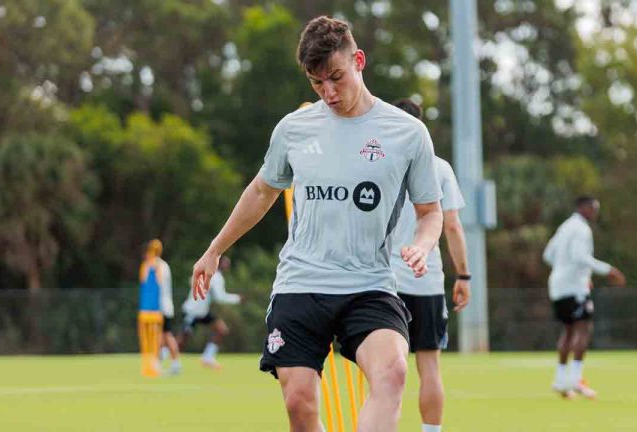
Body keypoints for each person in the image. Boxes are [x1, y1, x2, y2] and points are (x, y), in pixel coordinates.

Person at [190, 16, 443, 431]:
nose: (328, 92)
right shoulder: (294, 129)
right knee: (299, 403)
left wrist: (422, 244)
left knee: (393, 371)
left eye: (336, 77)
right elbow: (261, 192)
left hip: (369, 284)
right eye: (316, 82)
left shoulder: (408, 134)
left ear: (358, 60)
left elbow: (431, 212)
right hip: (301, 283)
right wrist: (214, 250)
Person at [391, 98, 469, 432]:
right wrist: (463, 274)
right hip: (425, 280)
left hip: (382, 282)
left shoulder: (376, 164)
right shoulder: (439, 167)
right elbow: (451, 225)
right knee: (430, 366)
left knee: (383, 369)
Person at [543, 196, 626, 399]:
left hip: (557, 285)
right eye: (593, 208)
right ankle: (576, 379)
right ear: (583, 207)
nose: (595, 212)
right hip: (574, 287)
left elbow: (548, 255)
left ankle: (561, 380)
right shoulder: (581, 229)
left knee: (569, 330)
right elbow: (579, 257)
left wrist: (567, 271)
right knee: (584, 328)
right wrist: (608, 270)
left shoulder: (564, 227)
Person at [177, 256, 241, 369]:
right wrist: (237, 298)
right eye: (225, 263)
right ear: (219, 263)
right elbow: (220, 297)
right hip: (193, 311)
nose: (227, 266)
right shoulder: (215, 276)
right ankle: (165, 355)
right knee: (183, 338)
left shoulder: (211, 274)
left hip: (203, 312)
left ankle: (207, 357)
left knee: (221, 330)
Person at [140, 239, 181, 375]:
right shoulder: (163, 265)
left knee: (166, 336)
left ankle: (172, 363)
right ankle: (164, 360)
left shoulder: (157, 266)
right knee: (163, 336)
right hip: (164, 306)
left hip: (161, 307)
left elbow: (153, 284)